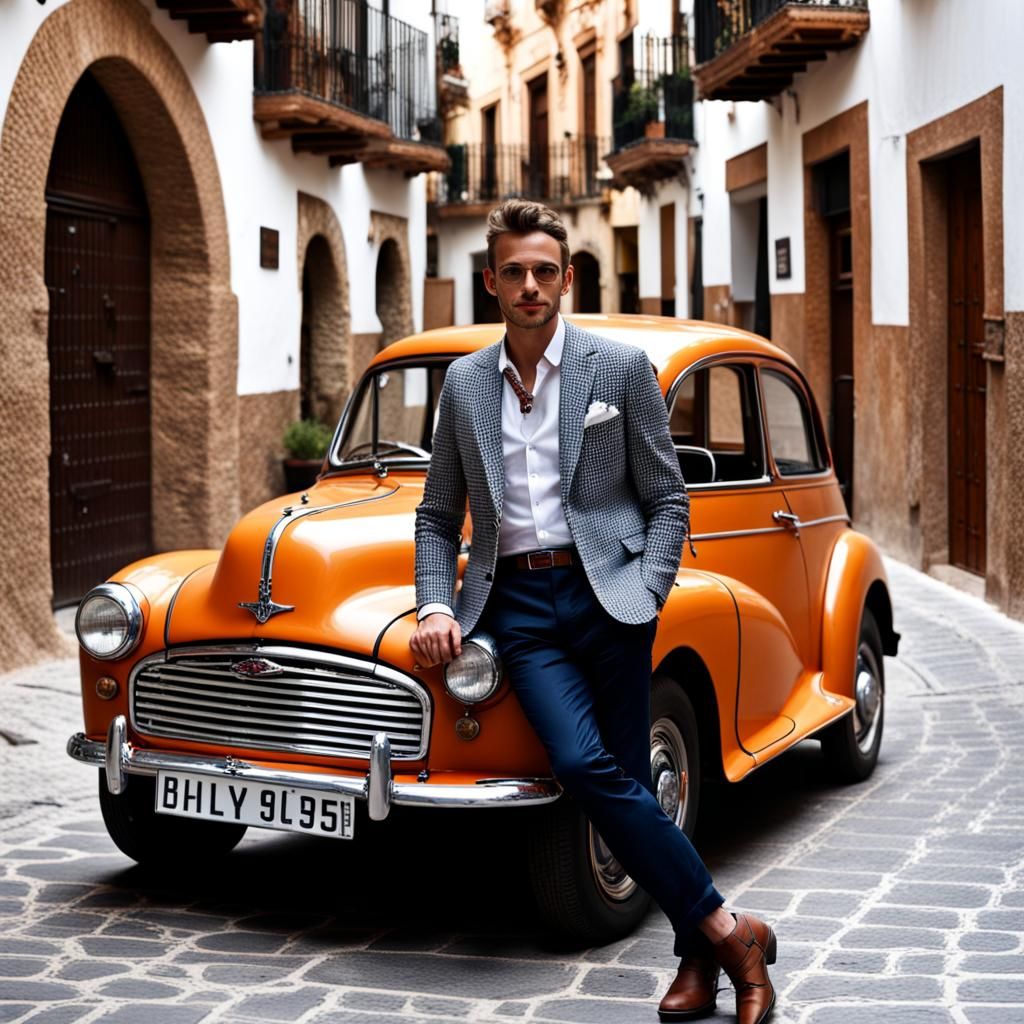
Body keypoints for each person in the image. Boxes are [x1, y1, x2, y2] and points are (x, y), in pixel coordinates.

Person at [410, 198, 777, 1024]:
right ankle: (733, 934)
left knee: (631, 786)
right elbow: (436, 515)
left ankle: (699, 958)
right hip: (516, 605)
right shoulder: (464, 384)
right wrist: (435, 601)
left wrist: (647, 589)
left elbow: (668, 498)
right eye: (514, 271)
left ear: (567, 278)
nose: (530, 285)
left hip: (610, 596)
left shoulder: (617, 369)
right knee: (582, 768)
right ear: (491, 281)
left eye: (545, 271)